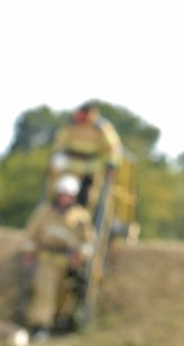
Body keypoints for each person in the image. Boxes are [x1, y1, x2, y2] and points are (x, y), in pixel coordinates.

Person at [22, 174, 95, 342]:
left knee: (65, 294)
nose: (64, 198)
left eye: (68, 195)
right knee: (44, 293)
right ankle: (40, 325)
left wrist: (80, 256)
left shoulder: (81, 216)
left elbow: (88, 241)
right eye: (62, 194)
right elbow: (31, 236)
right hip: (46, 259)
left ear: (74, 197)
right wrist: (29, 252)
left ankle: (61, 321)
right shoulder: (44, 212)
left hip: (68, 261)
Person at [49, 102, 124, 212]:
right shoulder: (71, 126)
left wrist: (112, 164)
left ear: (89, 114)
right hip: (69, 168)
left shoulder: (101, 128)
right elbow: (59, 143)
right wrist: (58, 155)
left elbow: (113, 148)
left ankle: (82, 216)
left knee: (87, 199)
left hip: (91, 170)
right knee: (58, 190)